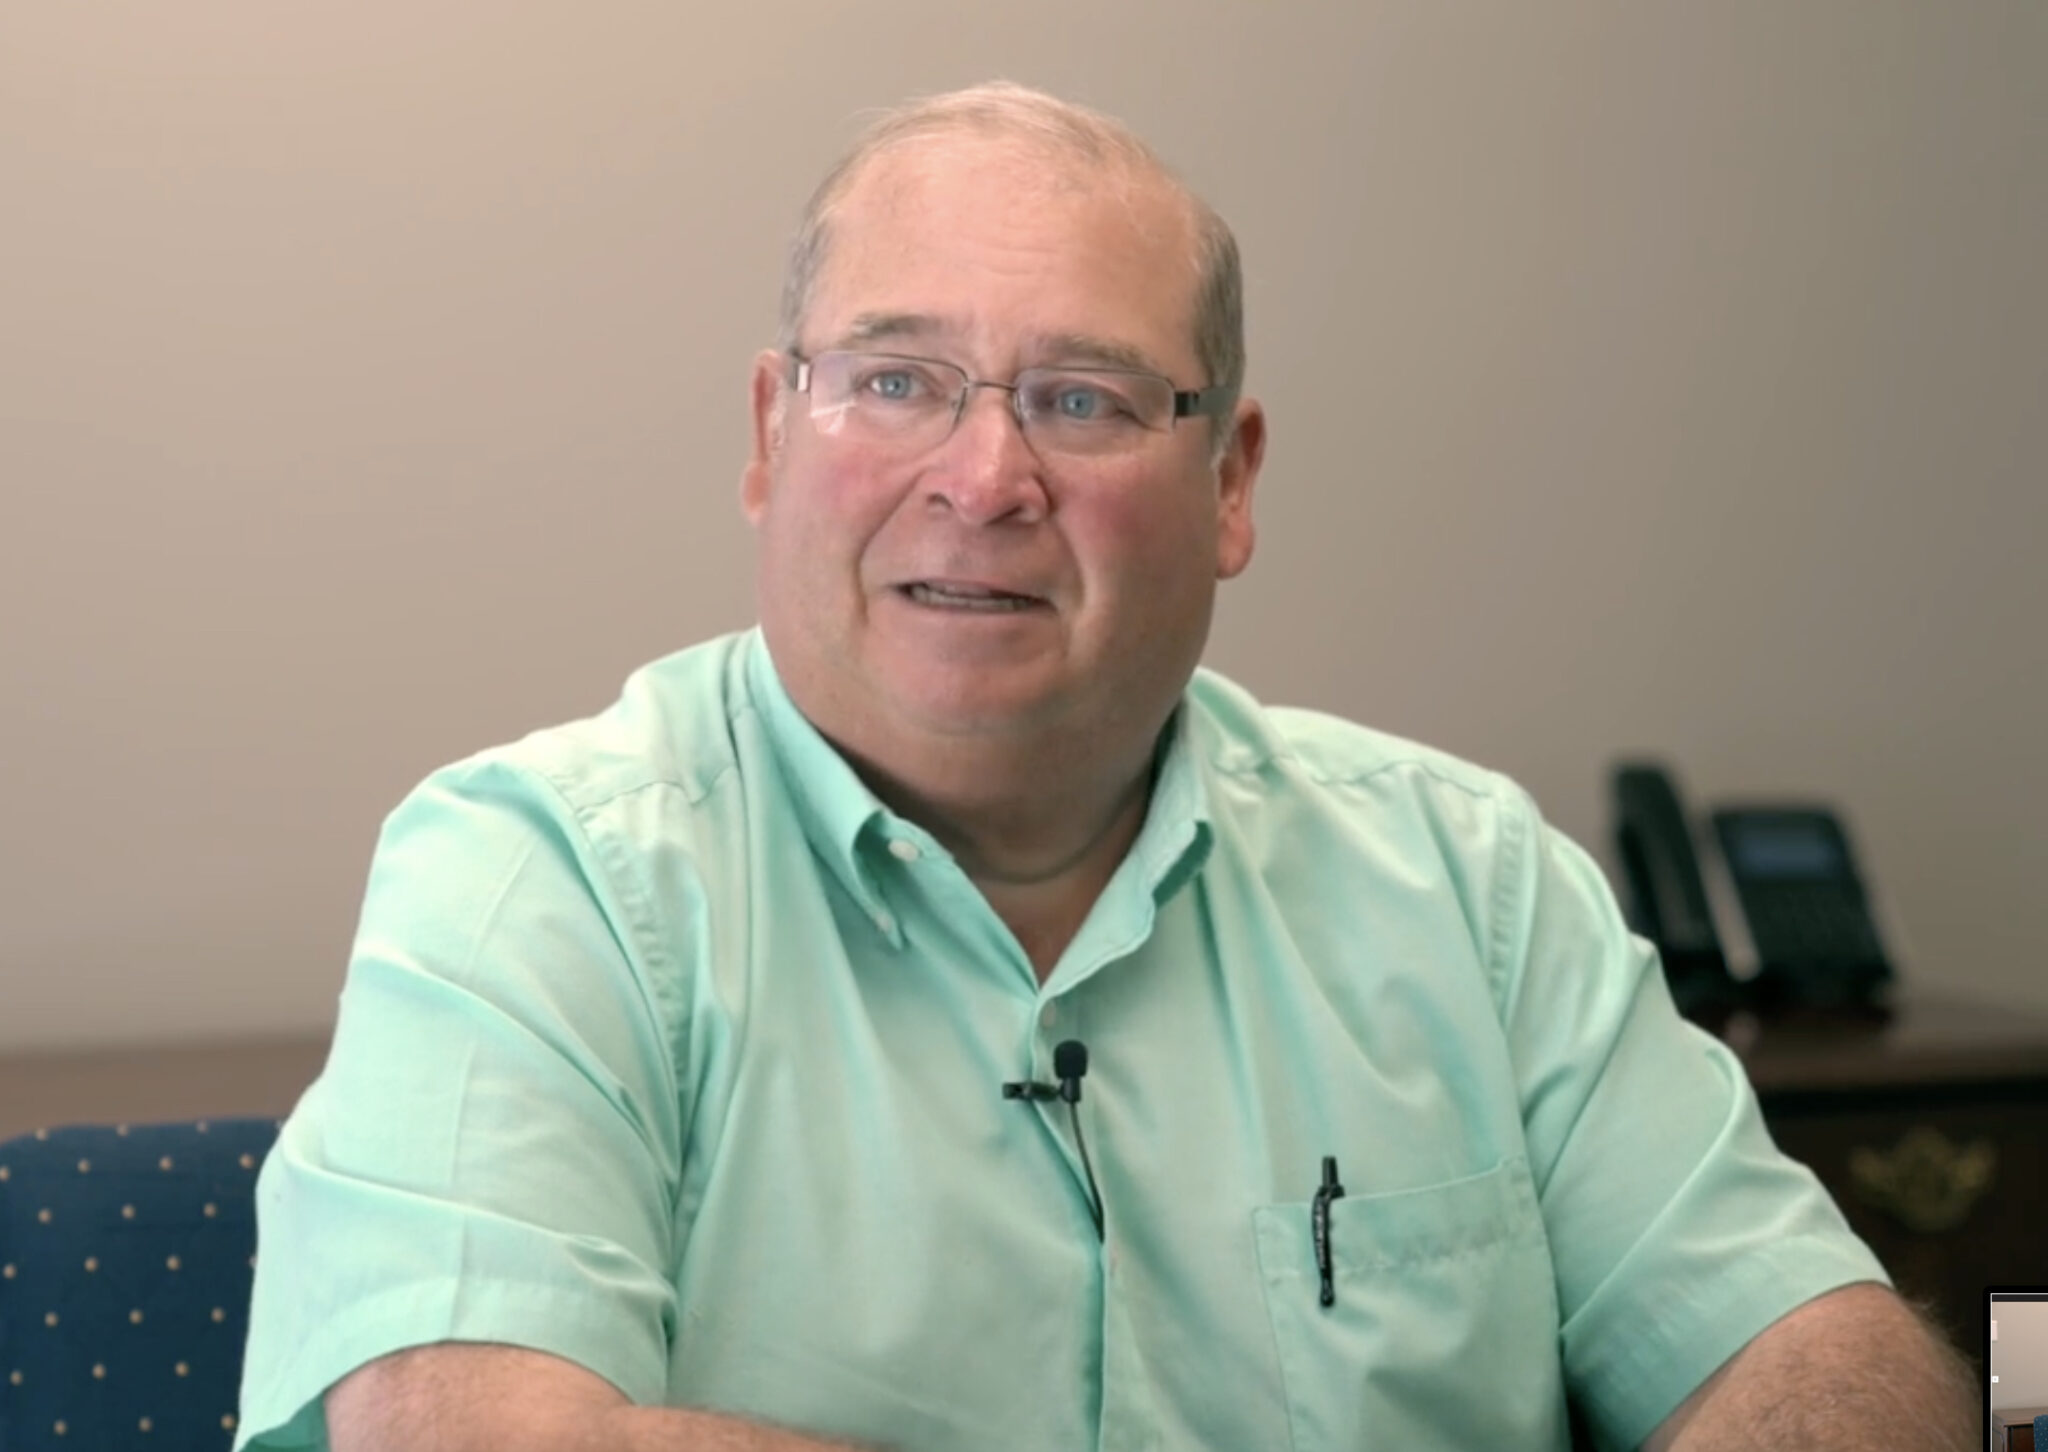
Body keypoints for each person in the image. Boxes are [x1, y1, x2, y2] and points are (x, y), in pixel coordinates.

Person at [235, 82, 1974, 1451]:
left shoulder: (1470, 883)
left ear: (1231, 483)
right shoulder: (532, 879)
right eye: (897, 378)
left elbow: (1822, 1357)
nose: (984, 477)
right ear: (775, 436)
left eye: (1082, 398)